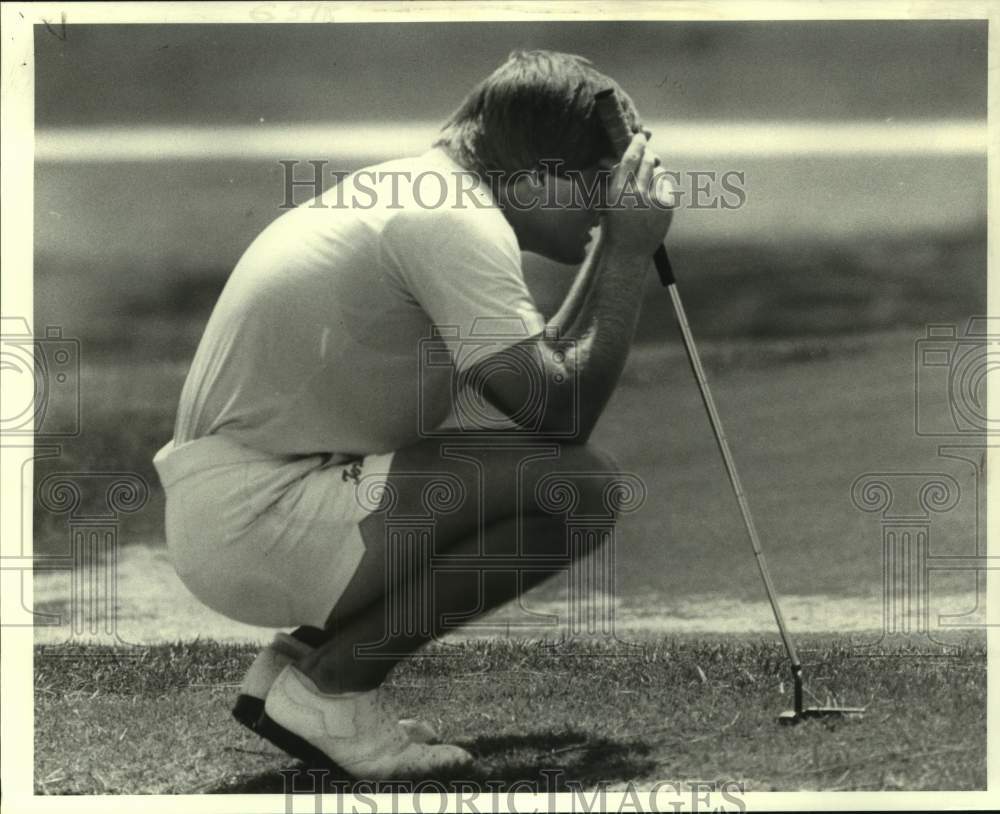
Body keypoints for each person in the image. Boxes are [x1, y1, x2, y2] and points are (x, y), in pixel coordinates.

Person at [152, 50, 674, 779]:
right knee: (580, 490)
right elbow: (562, 416)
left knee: (542, 467)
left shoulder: (432, 194)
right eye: (600, 184)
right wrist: (624, 255)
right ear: (538, 177)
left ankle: (302, 668)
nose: (607, 204)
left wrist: (615, 246)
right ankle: (333, 688)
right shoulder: (451, 219)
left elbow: (538, 396)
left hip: (250, 511)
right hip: (256, 522)